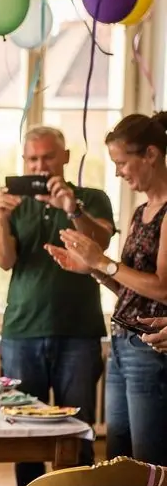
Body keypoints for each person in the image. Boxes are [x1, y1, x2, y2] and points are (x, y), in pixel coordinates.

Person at [0, 124, 114, 486]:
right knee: (24, 438)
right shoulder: (16, 204)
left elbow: (103, 242)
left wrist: (71, 208)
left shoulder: (92, 198)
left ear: (64, 157)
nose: (41, 166)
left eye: (48, 157)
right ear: (24, 161)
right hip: (20, 333)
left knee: (77, 436)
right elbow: (4, 260)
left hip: (78, 332)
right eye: (33, 159)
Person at [48, 112, 167, 465]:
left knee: (147, 464)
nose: (118, 172)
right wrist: (91, 269)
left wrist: (103, 262)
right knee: (118, 457)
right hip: (122, 343)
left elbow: (162, 290)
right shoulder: (141, 212)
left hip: (150, 349)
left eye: (121, 162)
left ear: (150, 154)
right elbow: (131, 290)